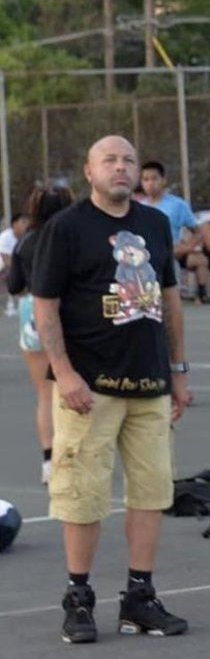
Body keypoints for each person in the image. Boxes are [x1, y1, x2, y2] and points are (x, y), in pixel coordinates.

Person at [30, 136, 191, 644]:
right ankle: (78, 598)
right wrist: (65, 372)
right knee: (83, 496)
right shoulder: (67, 229)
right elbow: (45, 306)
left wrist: (179, 371)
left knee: (151, 493)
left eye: (128, 160)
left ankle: (139, 599)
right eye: (109, 160)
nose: (121, 168)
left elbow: (170, 299)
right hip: (89, 390)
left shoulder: (155, 224)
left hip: (149, 384)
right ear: (89, 170)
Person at [8, 185, 75, 483]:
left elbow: (13, 286)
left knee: (44, 394)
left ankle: (49, 461)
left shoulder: (25, 243)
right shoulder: (73, 237)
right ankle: (74, 454)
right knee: (76, 386)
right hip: (67, 313)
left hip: (31, 313)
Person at [139, 161, 210, 303]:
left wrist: (187, 247)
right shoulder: (138, 208)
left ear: (163, 180)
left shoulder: (177, 205)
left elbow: (198, 231)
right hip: (146, 259)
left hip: (171, 255)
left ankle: (201, 294)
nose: (150, 183)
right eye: (146, 179)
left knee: (171, 298)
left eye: (154, 178)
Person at [1, 212, 30, 314]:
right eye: (23, 222)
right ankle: (12, 303)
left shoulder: (27, 237)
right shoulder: (5, 237)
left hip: (16, 266)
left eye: (27, 222)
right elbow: (5, 259)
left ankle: (23, 302)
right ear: (14, 224)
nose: (26, 224)